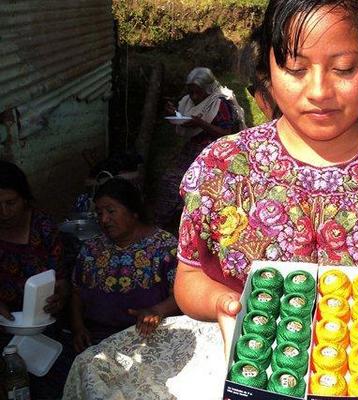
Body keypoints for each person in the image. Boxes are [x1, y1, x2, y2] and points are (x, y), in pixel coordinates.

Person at [174, 0, 358, 397]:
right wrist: (223, 303)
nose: (319, 92)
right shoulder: (223, 166)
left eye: (344, 69)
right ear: (268, 67)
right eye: (296, 69)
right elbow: (190, 275)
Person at [71, 178, 179, 352]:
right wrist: (78, 328)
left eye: (111, 211)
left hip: (147, 337)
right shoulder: (92, 249)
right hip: (96, 340)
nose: (104, 219)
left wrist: (156, 310)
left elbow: (182, 296)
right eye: (99, 213)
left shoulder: (164, 247)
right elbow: (76, 292)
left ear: (133, 212)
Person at [0, 160, 70, 399]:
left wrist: (59, 296)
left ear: (25, 199)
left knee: (52, 378)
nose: (4, 212)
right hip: (4, 323)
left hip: (44, 322)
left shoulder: (43, 227)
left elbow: (60, 278)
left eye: (11, 203)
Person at [154, 67, 247, 230]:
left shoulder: (220, 103)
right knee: (170, 180)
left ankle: (190, 220)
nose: (194, 97)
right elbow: (188, 118)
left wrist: (201, 124)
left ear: (208, 89)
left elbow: (228, 134)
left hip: (217, 151)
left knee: (192, 183)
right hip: (194, 150)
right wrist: (175, 114)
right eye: (191, 92)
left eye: (198, 93)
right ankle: (166, 222)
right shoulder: (190, 102)